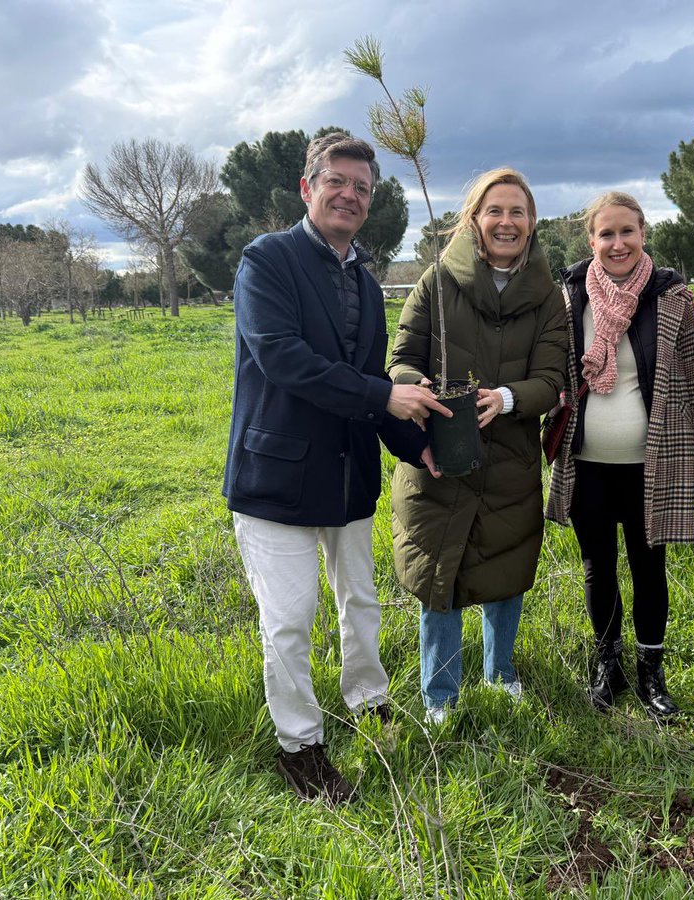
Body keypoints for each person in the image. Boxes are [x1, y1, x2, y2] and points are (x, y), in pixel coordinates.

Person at [225, 133, 449, 801]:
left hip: (349, 478)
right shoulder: (267, 260)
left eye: (362, 188)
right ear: (308, 188)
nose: (349, 195)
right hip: (278, 480)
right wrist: (384, 396)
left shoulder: (365, 283)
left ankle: (370, 705)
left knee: (362, 604)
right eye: (337, 182)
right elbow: (282, 358)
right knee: (290, 619)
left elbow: (368, 380)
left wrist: (417, 445)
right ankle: (300, 747)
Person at [388, 168, 568, 723]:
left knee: (505, 570)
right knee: (439, 574)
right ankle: (440, 694)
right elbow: (401, 357)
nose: (506, 222)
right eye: (495, 210)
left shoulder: (548, 298)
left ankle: (501, 673)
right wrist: (416, 384)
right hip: (441, 454)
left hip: (510, 458)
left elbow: (552, 378)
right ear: (473, 219)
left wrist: (508, 398)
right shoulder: (437, 281)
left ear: (532, 222)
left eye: (517, 212)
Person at [545, 192, 694, 720]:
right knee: (598, 567)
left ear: (643, 233)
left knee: (649, 567)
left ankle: (650, 672)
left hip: (651, 465)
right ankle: (607, 663)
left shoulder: (672, 297)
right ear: (591, 240)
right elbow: (553, 373)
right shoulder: (570, 298)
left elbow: (693, 381)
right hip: (587, 464)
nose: (618, 243)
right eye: (606, 234)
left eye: (627, 232)